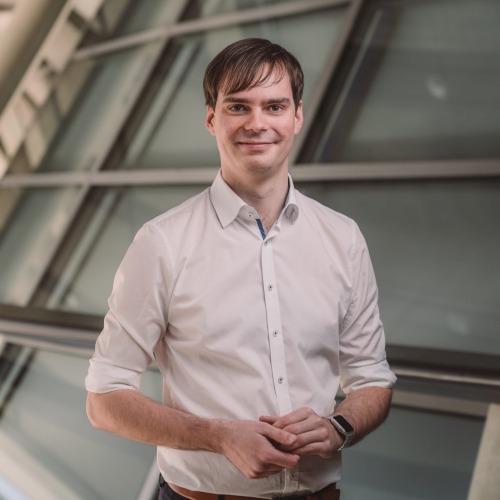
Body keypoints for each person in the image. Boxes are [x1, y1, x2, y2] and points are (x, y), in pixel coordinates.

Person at [85, 38, 396, 500]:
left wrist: (339, 426)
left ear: (297, 116)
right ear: (212, 119)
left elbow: (371, 376)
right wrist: (219, 436)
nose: (257, 123)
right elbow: (104, 400)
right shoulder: (162, 242)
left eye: (274, 106)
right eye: (238, 106)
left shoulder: (343, 237)